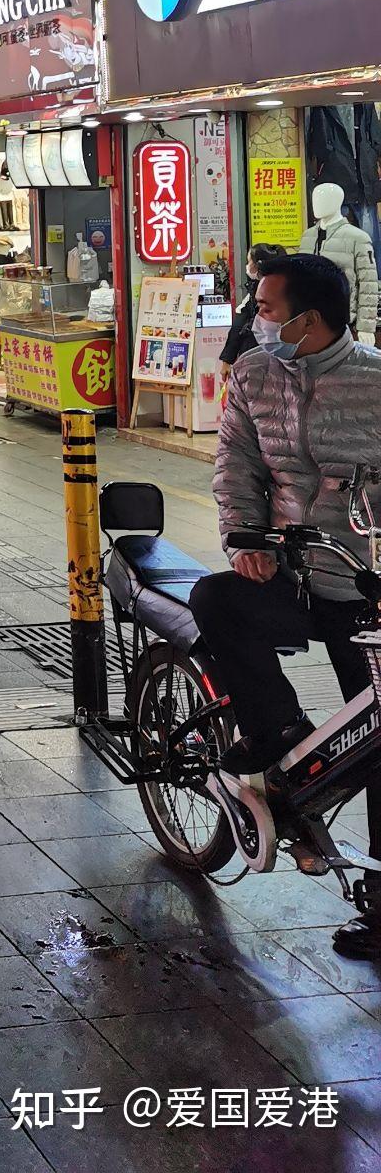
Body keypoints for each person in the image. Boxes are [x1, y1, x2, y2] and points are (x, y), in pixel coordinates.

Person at [190, 252, 381, 961]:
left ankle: (380, 910)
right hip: (287, 572)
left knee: (379, 742)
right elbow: (234, 459)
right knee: (215, 597)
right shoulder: (254, 373)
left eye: (267, 309)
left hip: (365, 586)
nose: (257, 320)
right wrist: (244, 535)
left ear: (312, 317)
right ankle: (278, 733)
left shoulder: (374, 378)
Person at [220, 243, 288, 372]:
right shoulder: (287, 288)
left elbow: (239, 324)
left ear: (258, 265)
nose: (247, 266)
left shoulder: (258, 293)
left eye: (249, 261)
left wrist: (227, 360)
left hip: (255, 360)